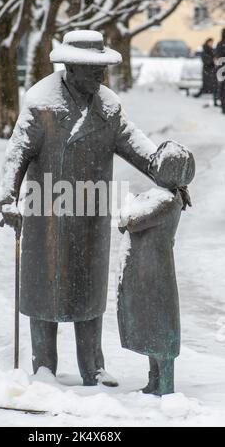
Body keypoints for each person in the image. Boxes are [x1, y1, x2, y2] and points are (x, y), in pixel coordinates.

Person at [0, 30, 157, 387]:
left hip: (90, 215)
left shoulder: (109, 106)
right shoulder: (42, 103)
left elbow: (136, 146)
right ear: (70, 67)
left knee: (88, 293)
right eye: (93, 69)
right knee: (44, 292)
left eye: (102, 69)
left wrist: (171, 171)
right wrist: (7, 198)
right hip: (45, 215)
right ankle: (44, 368)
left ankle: (93, 367)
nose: (101, 76)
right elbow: (17, 152)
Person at [118, 141, 195, 396]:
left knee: (160, 328)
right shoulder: (166, 196)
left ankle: (165, 384)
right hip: (148, 269)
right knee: (151, 325)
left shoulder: (166, 199)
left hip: (154, 271)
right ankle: (154, 380)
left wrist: (129, 206)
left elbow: (131, 220)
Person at [194, 38, 218, 106]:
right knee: (208, 84)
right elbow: (205, 59)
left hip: (212, 70)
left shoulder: (212, 50)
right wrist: (212, 60)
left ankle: (215, 99)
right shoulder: (205, 50)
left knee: (213, 85)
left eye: (212, 42)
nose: (212, 44)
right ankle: (214, 98)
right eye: (211, 42)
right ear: (208, 42)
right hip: (207, 70)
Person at [215, 29, 225, 114]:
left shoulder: (219, 44)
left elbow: (217, 57)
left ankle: (223, 106)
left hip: (220, 71)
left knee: (222, 88)